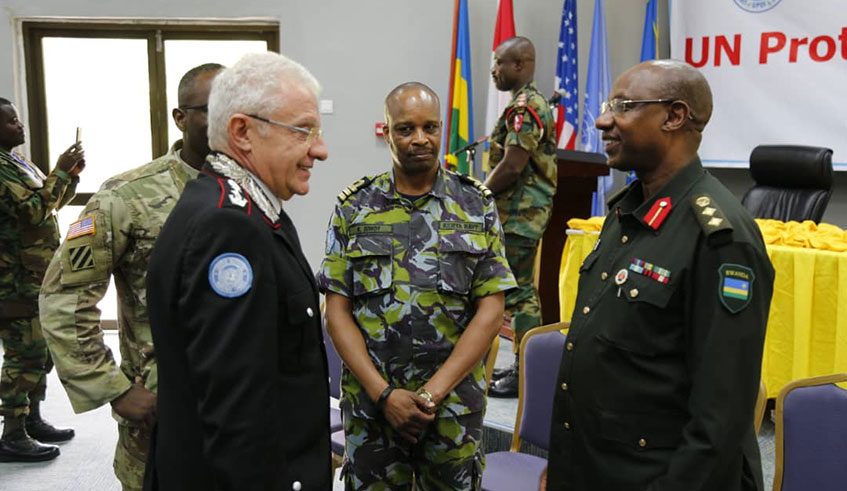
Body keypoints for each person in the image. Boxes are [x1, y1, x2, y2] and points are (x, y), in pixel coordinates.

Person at [541, 60, 774, 491]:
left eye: (623, 106)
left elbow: (720, 418)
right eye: (609, 106)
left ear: (674, 116)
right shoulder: (627, 211)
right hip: (594, 467)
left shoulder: (721, 238)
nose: (603, 121)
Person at [143, 52, 330, 491]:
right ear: (242, 132)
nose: (319, 150)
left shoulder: (236, 208)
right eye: (303, 131)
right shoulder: (229, 228)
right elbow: (238, 419)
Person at [318, 82, 517, 490]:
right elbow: (336, 312)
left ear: (441, 128)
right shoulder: (354, 206)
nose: (420, 139)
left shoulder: (475, 203)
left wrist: (430, 395)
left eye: (430, 127)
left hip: (451, 409)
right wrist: (384, 395)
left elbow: (491, 309)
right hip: (373, 409)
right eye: (405, 129)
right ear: (387, 132)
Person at [38, 63, 223, 489]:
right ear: (180, 118)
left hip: (242, 413)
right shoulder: (129, 195)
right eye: (212, 109)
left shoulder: (255, 192)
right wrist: (112, 388)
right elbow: (64, 296)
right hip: (161, 411)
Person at [0, 97, 83, 462]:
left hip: (37, 276)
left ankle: (32, 419)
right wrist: (59, 172)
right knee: (24, 355)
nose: (20, 125)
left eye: (18, 119)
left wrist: (70, 175)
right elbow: (32, 212)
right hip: (14, 279)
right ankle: (12, 433)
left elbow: (50, 205)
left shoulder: (17, 162)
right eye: (11, 121)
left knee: (40, 351)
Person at [484, 36, 558, 398]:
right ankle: (523, 367)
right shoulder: (523, 104)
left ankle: (525, 371)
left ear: (519, 65)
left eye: (500, 62)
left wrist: (479, 195)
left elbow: (513, 165)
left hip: (519, 214)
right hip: (518, 213)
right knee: (519, 289)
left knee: (519, 292)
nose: (494, 70)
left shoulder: (525, 108)